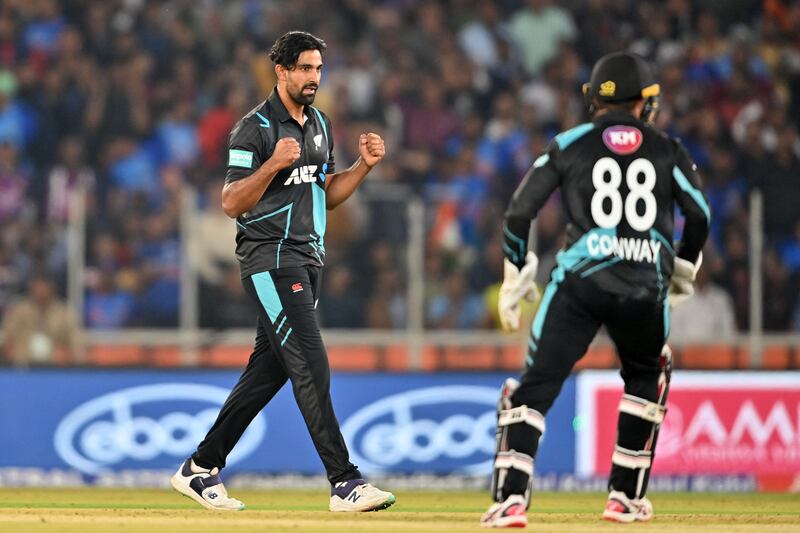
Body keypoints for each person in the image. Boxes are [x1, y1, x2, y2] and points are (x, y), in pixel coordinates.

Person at [481, 52, 710, 528]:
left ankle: (509, 502)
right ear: (645, 102)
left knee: (535, 387)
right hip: (645, 284)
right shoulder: (668, 148)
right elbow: (700, 215)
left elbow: (519, 213)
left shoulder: (570, 143)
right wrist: (683, 266)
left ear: (594, 99)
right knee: (647, 376)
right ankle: (624, 499)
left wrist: (516, 270)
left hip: (579, 283)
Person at [171, 31, 395, 513]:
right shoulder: (253, 129)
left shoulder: (320, 124)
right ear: (282, 71)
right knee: (311, 362)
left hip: (307, 259)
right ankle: (345, 481)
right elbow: (231, 201)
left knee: (267, 372)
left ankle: (199, 467)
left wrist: (362, 167)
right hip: (269, 260)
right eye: (306, 69)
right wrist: (272, 164)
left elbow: (325, 195)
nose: (315, 78)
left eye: (319, 69)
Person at [2, 275, 83, 365]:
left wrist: (70, 354)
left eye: (44, 287)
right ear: (31, 289)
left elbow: (76, 340)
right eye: (38, 287)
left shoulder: (64, 313)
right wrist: (8, 349)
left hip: (56, 366)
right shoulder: (19, 311)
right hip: (22, 364)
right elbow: (6, 335)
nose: (41, 291)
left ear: (51, 289)